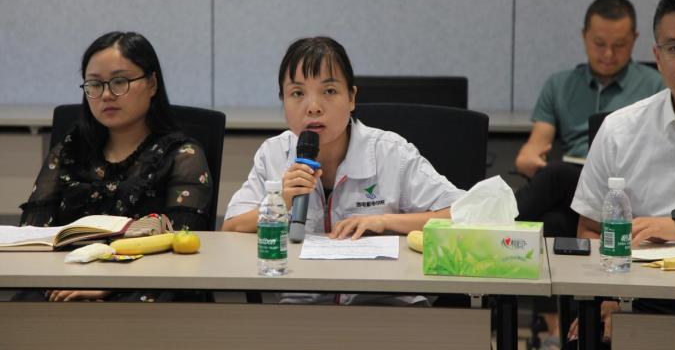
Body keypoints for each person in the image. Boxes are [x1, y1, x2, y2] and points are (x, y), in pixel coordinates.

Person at [222, 36, 464, 305]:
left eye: (329, 91)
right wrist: (281, 201)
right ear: (283, 102)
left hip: (386, 304)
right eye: (297, 93)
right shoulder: (274, 154)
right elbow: (231, 228)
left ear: (351, 98)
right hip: (302, 309)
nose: (313, 107)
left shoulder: (391, 153)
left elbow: (465, 215)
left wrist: (386, 222)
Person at [18, 31, 213, 302]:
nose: (107, 95)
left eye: (119, 82)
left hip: (146, 286)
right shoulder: (69, 152)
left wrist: (108, 284)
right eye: (95, 84)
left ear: (152, 84)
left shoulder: (182, 155)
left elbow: (181, 243)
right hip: (64, 282)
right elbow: (33, 237)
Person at [568, 0, 675, 346]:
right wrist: (610, 297)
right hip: (639, 300)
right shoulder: (620, 130)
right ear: (657, 56)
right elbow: (590, 229)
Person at [515, 0, 664, 238]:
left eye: (619, 45)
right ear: (584, 36)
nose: (608, 54)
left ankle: (487, 227)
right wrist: (529, 159)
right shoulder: (559, 85)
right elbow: (535, 146)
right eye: (599, 43)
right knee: (553, 221)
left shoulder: (656, 85)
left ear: (635, 39)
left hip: (624, 188)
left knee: (557, 178)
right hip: (575, 185)